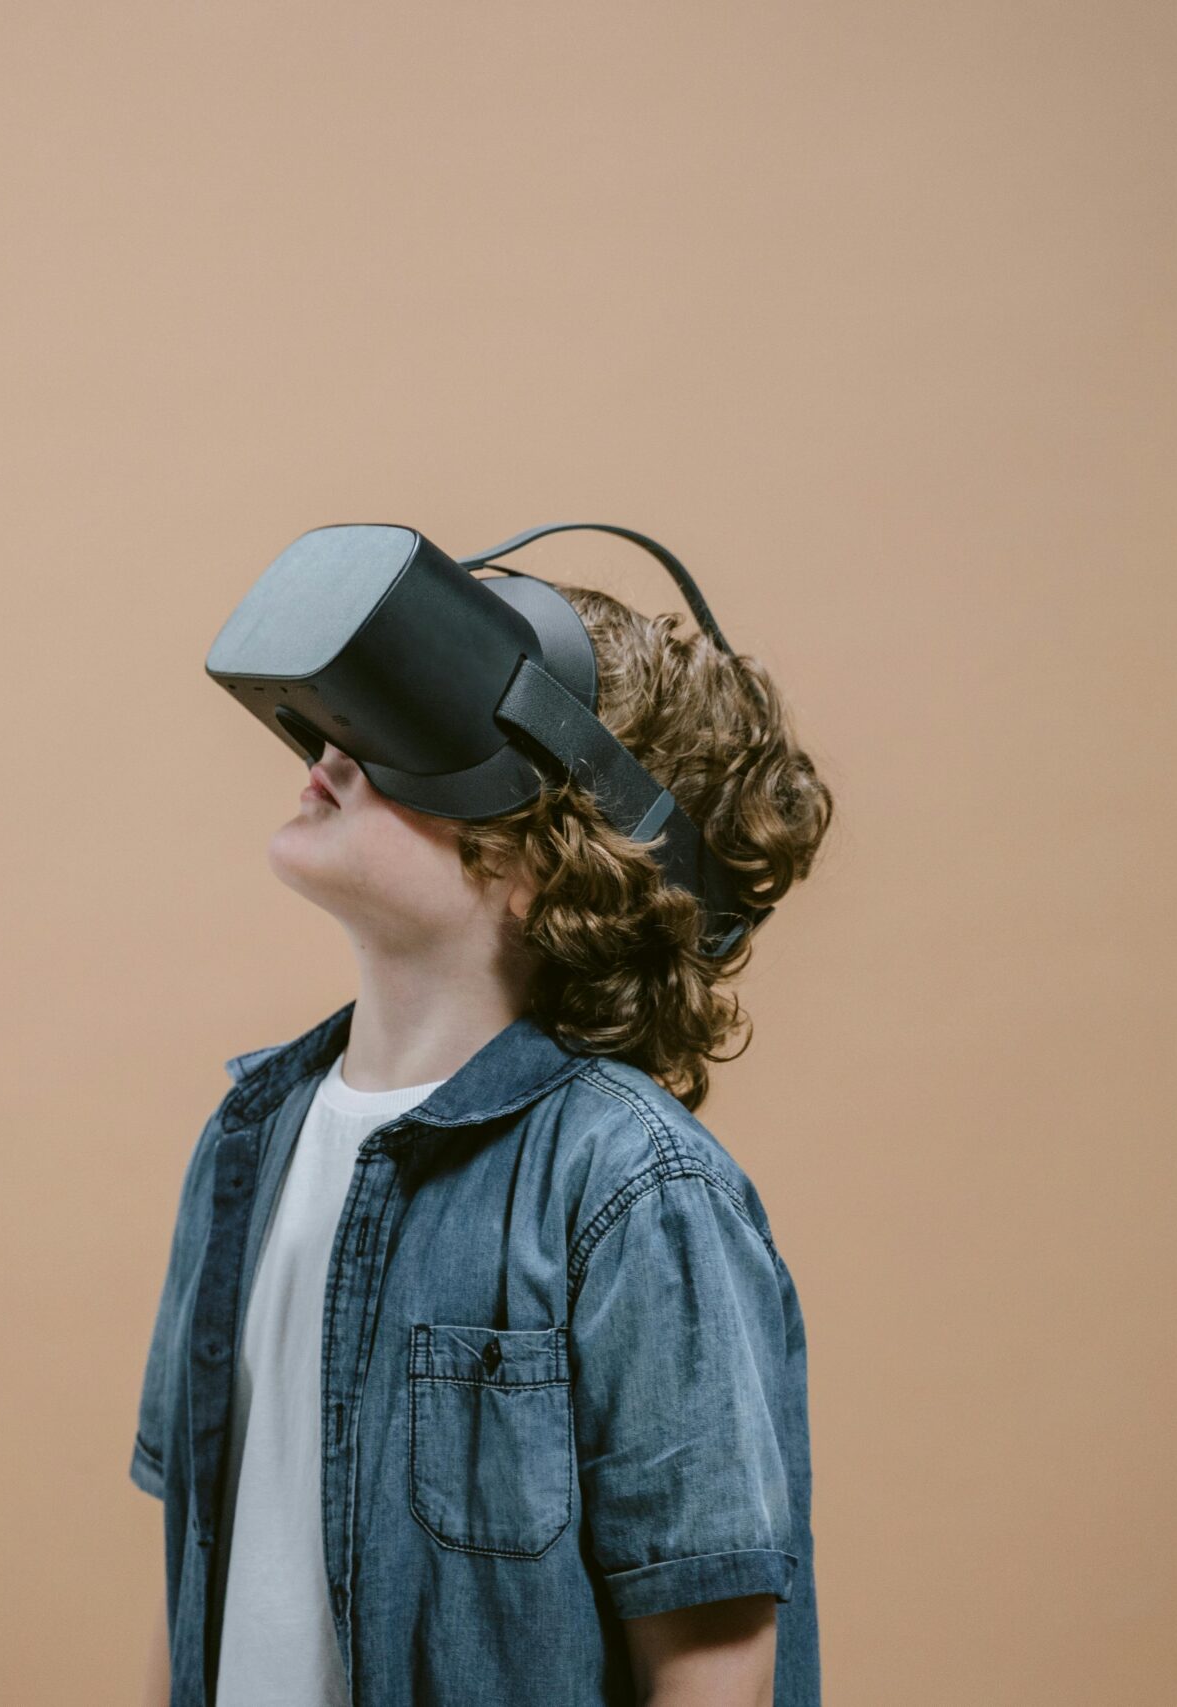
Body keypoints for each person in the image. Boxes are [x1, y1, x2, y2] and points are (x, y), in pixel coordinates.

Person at [131, 575, 836, 1706]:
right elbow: (197, 1570)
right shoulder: (246, 1141)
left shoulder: (636, 1190)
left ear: (548, 863)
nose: (336, 750)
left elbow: (713, 1669)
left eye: (415, 739)